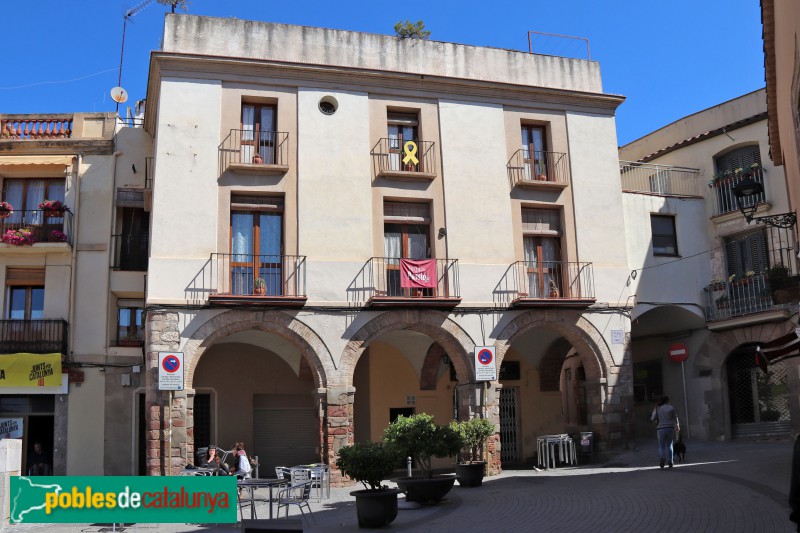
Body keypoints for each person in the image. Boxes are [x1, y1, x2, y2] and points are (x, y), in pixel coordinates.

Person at [651, 395, 680, 469]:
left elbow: (652, 418)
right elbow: (675, 417)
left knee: (661, 446)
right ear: (668, 401)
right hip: (670, 427)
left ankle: (662, 458)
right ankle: (671, 461)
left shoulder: (657, 408)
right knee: (670, 445)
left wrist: (656, 420)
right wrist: (677, 426)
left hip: (660, 428)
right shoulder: (671, 408)